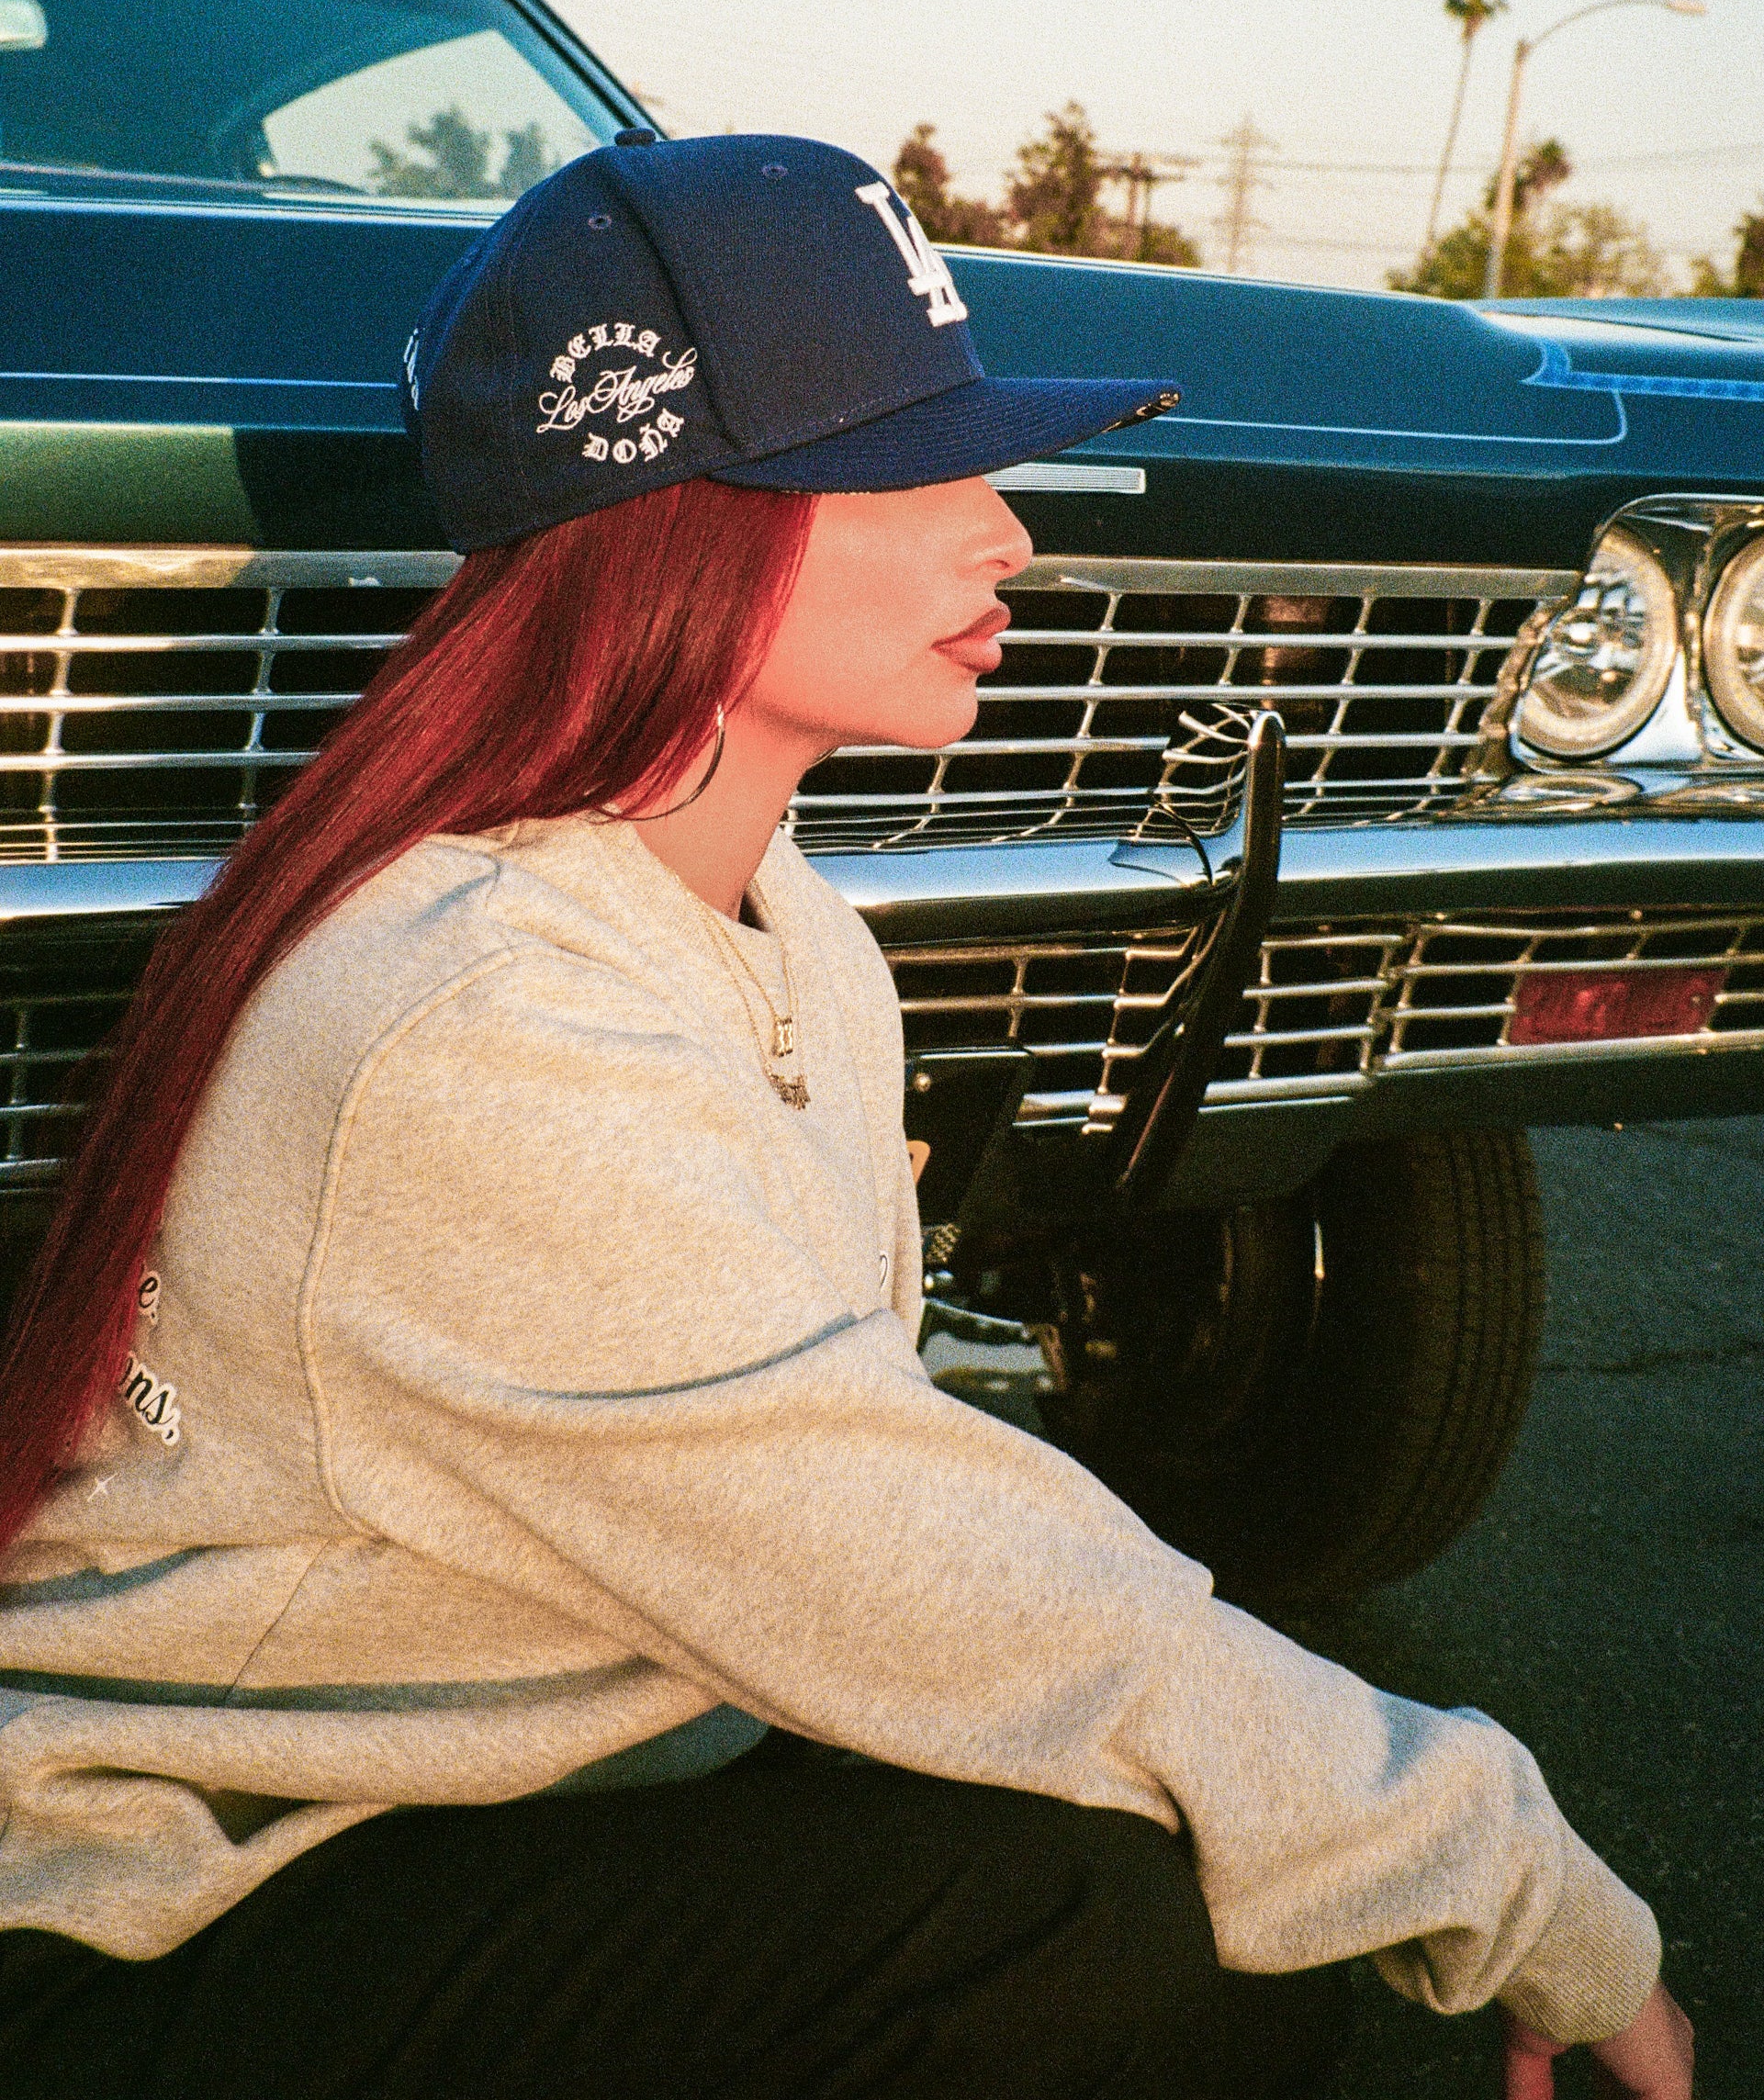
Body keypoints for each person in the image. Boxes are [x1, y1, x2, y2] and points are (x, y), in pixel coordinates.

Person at [0, 133, 1691, 2100]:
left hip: (473, 1791)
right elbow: (948, 1589)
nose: (1009, 536)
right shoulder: (478, 1022)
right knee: (1123, 1955)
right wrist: (1507, 1870)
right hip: (160, 1916)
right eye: (913, 463)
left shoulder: (785, 924)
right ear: (677, 519)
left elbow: (902, 1564)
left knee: (1172, 1860)